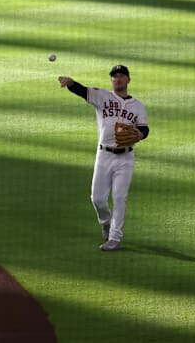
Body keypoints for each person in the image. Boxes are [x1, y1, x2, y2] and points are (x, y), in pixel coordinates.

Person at [57, 65, 149, 251]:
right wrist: (70, 83)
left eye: (122, 76)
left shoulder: (138, 106)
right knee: (97, 198)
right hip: (104, 155)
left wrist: (139, 135)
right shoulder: (103, 97)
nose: (118, 79)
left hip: (126, 158)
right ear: (111, 80)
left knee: (119, 196)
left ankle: (115, 237)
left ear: (128, 80)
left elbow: (144, 129)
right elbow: (83, 91)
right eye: (115, 76)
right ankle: (106, 222)